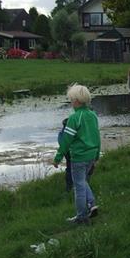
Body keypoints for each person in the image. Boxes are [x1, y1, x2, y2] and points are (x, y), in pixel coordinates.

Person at [53, 84, 100, 224]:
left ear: (77, 101)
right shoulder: (93, 115)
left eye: (71, 100)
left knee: (78, 187)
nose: (71, 103)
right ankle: (91, 204)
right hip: (91, 155)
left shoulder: (74, 118)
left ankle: (81, 216)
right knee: (82, 181)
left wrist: (57, 158)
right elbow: (97, 136)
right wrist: (97, 154)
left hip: (79, 157)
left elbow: (66, 141)